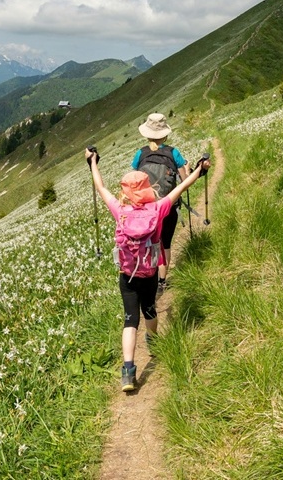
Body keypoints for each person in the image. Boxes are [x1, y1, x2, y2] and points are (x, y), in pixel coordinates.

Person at [86, 147, 209, 392]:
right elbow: (181, 188)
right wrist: (200, 169)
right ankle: (153, 342)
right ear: (147, 188)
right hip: (150, 274)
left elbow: (100, 188)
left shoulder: (119, 211)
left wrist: (92, 162)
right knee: (150, 311)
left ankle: (128, 370)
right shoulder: (157, 209)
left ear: (125, 192)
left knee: (130, 319)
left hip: (127, 277)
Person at [131, 113, 188, 294]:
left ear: (147, 134)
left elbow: (134, 180)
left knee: (148, 242)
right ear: (165, 134)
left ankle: (146, 276)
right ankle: (162, 281)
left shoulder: (140, 154)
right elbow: (184, 182)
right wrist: (187, 170)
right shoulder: (173, 153)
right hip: (167, 206)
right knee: (165, 244)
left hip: (145, 208)